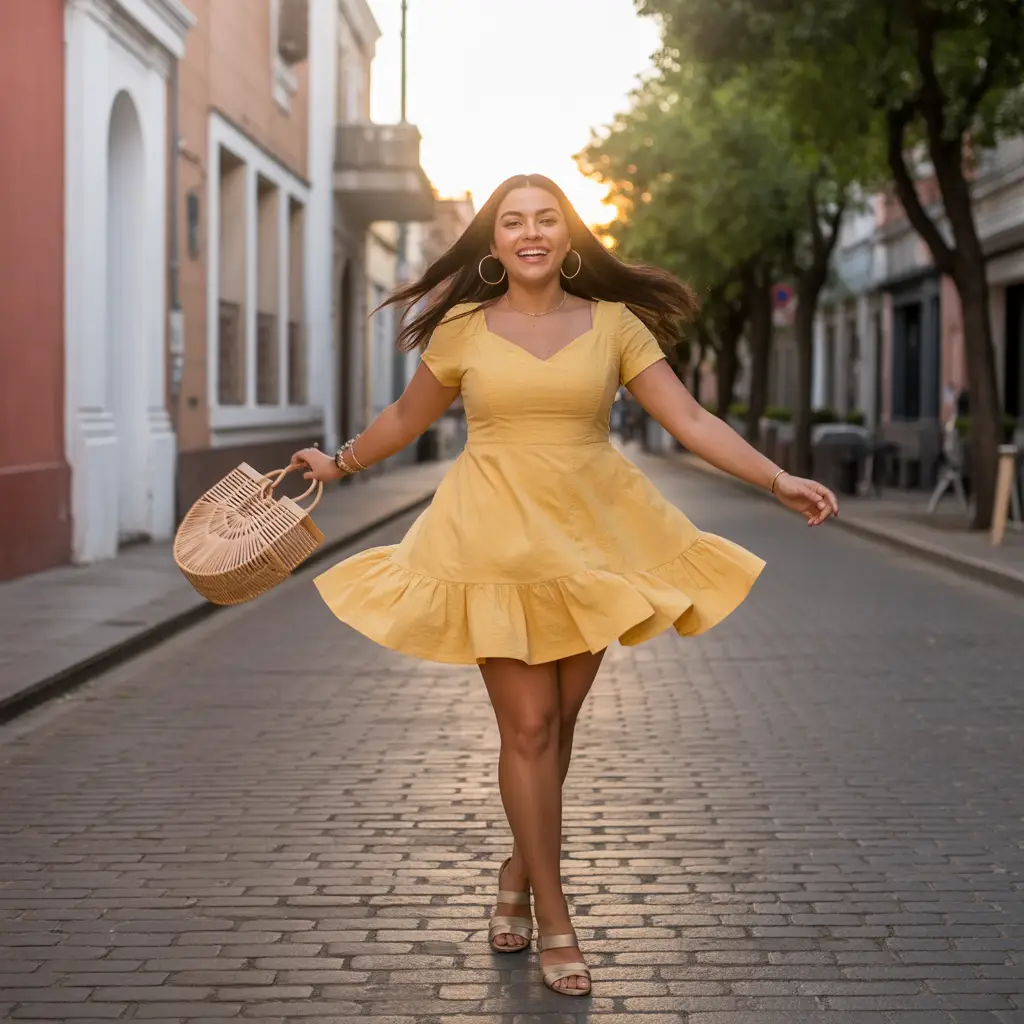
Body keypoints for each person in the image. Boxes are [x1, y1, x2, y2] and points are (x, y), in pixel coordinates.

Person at [290, 174, 838, 997]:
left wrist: (776, 478)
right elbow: (406, 420)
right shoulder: (465, 329)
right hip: (491, 545)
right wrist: (341, 463)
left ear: (570, 235)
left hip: (591, 546)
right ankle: (556, 916)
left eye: (547, 218)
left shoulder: (616, 324)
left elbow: (687, 420)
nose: (531, 232)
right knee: (533, 728)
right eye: (514, 222)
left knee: (559, 729)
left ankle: (515, 872)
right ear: (496, 241)